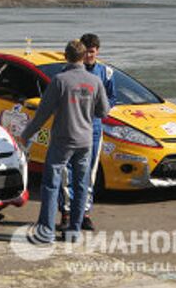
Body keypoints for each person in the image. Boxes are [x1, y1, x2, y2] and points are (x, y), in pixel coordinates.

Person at [19, 39, 110, 244]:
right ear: (83, 56)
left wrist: (26, 134)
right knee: (81, 185)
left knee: (51, 184)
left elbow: (42, 114)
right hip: (85, 140)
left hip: (63, 139)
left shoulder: (60, 81)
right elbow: (104, 111)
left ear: (65, 56)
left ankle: (46, 232)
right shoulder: (95, 81)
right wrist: (86, 110)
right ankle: (74, 232)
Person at [58, 33, 116, 231]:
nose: (89, 56)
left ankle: (84, 212)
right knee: (67, 173)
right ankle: (66, 212)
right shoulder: (67, 72)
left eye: (92, 52)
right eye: (86, 52)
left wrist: (99, 108)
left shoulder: (106, 73)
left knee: (88, 173)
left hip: (94, 129)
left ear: (97, 51)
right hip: (71, 127)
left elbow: (111, 99)